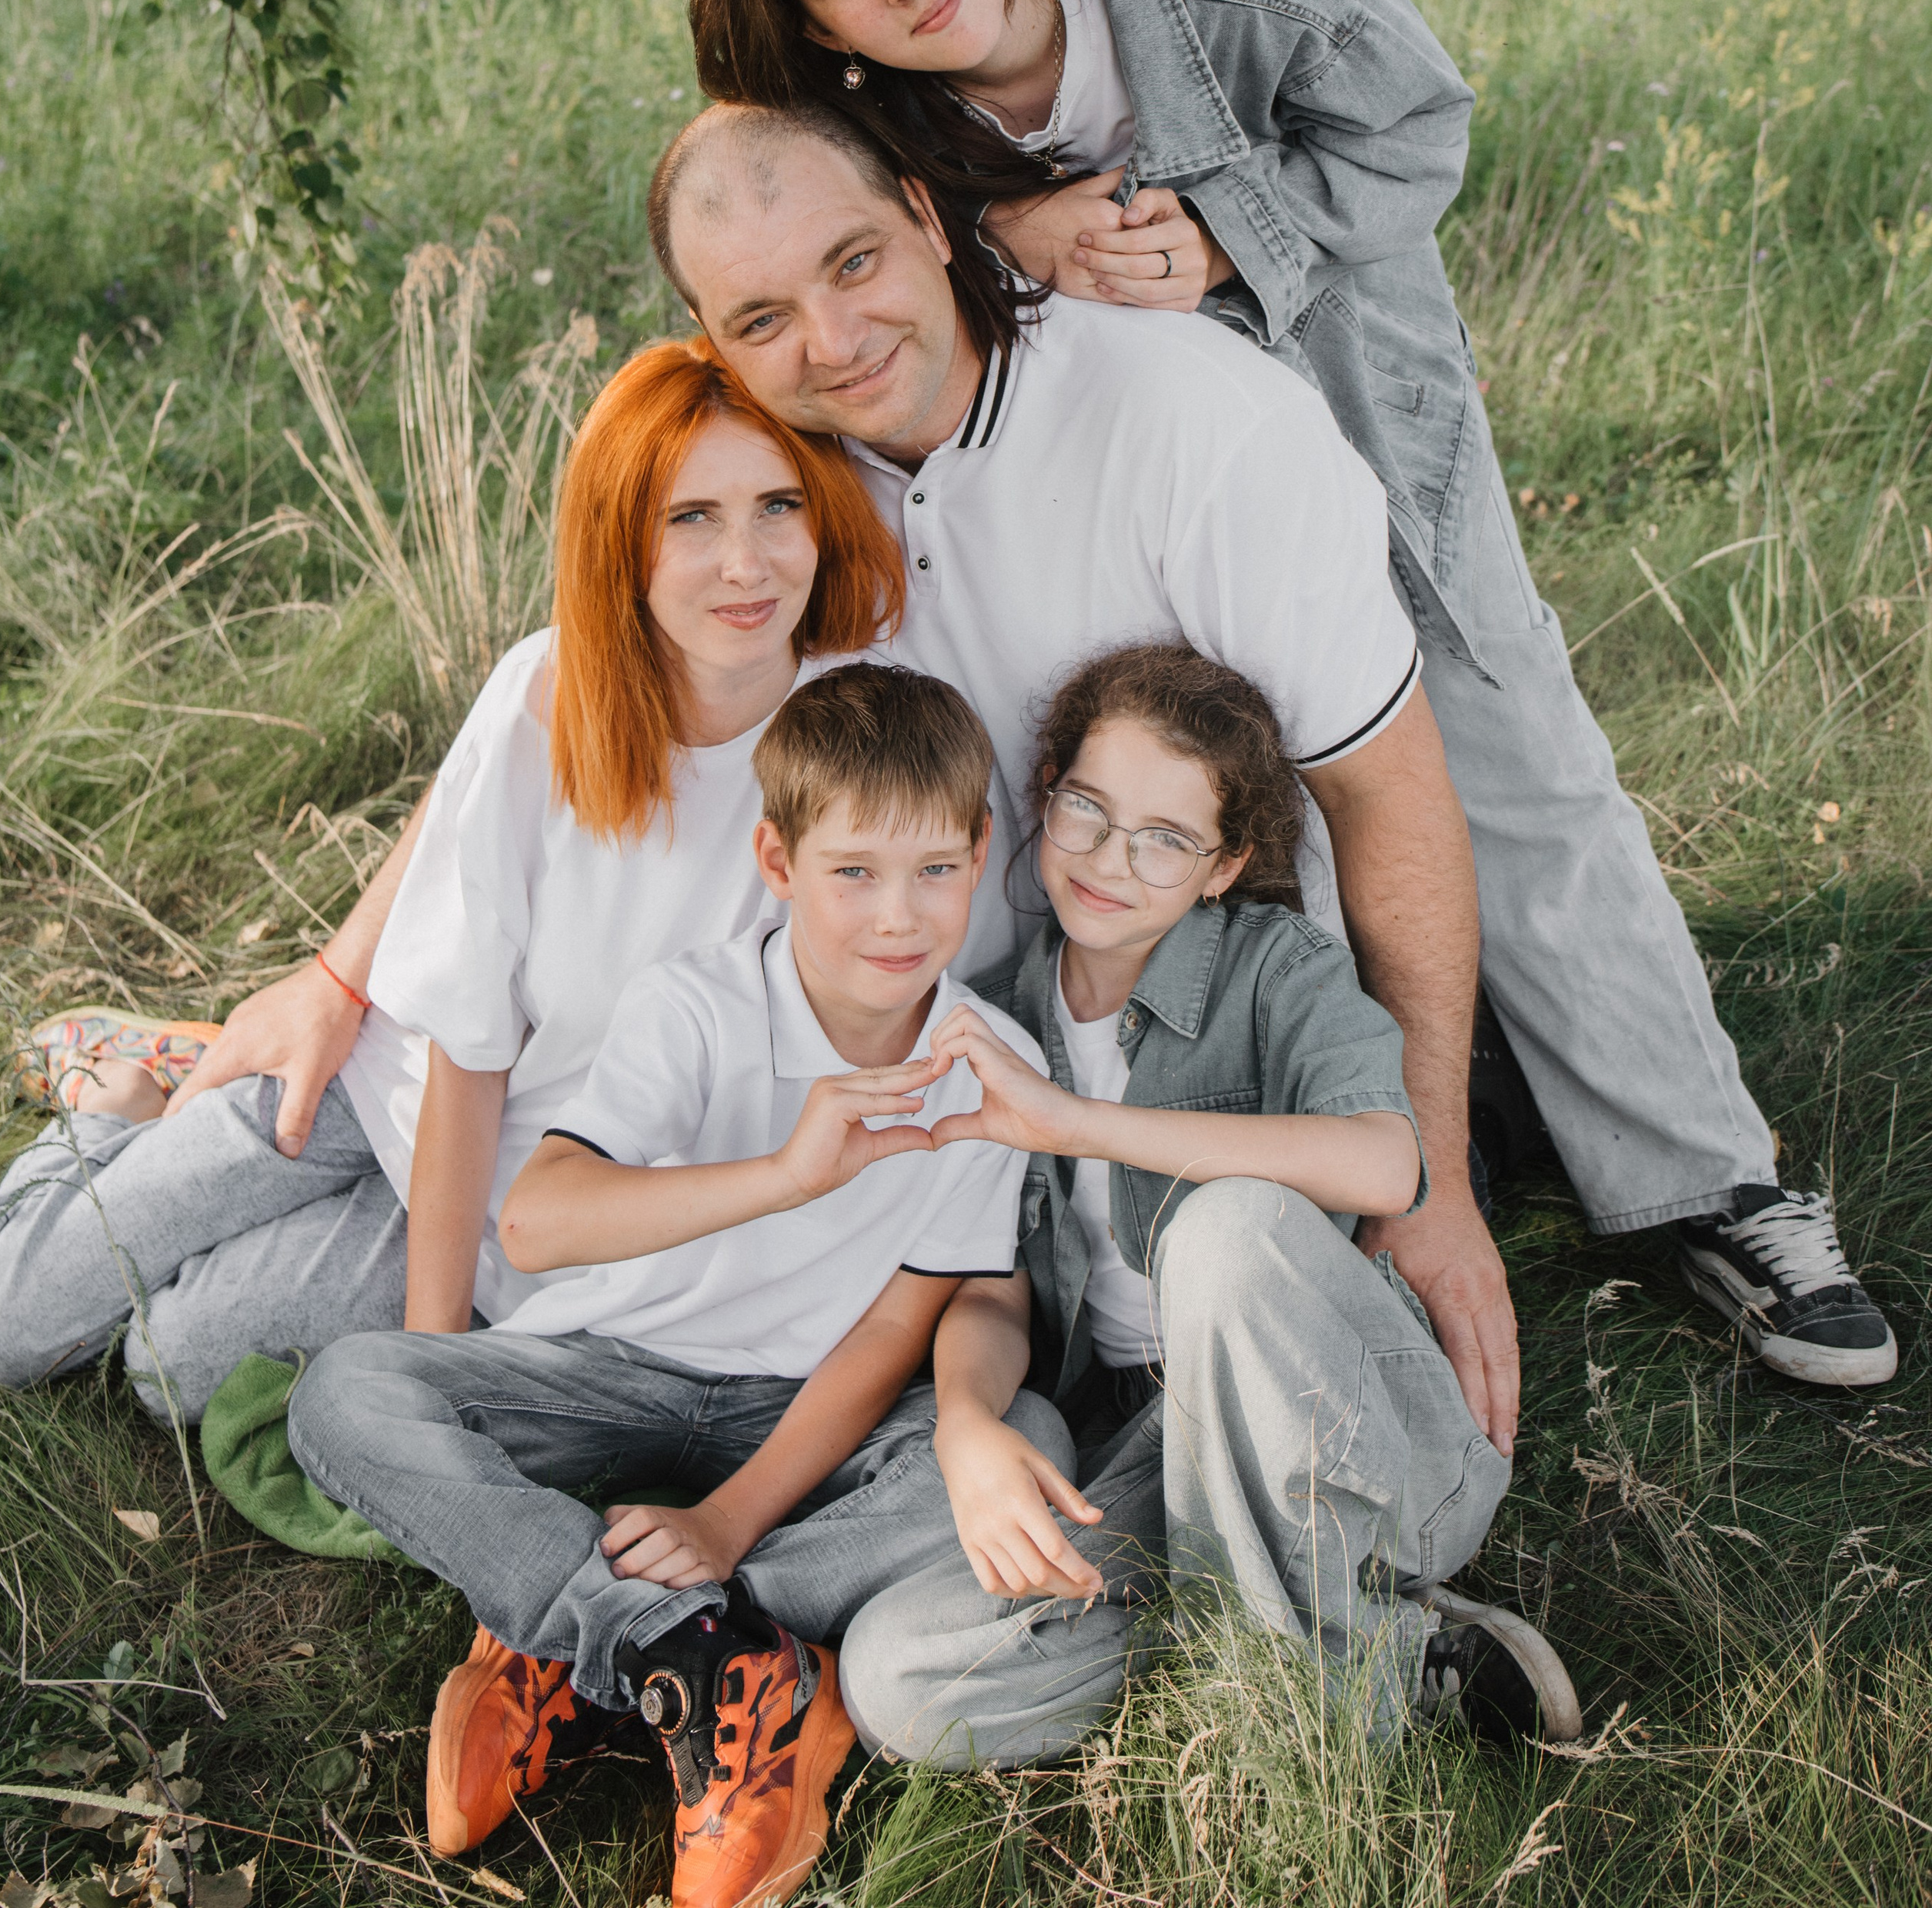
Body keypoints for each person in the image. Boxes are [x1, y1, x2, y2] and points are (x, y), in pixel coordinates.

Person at [683, 0, 1896, 1394]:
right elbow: (833, 240)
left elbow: (1421, 120)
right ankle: (1360, 1133)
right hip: (1148, 483)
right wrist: (1016, 228)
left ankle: (1701, 1179)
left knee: (1494, 759)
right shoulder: (891, 128)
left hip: (1350, 400)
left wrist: (1233, 232)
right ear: (820, 30)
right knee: (1243, 798)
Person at [646, 95, 1527, 1454]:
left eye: (855, 262)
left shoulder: (1196, 423)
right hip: (946, 1104)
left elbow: (1388, 793)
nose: (830, 342)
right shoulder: (766, 501)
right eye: (762, 321)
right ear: (718, 345)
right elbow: (584, 671)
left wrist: (1432, 1189)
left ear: (933, 224)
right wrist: (349, 972)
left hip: (1223, 1065)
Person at [0, 339, 901, 1423]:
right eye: (691, 518)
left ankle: (162, 1088)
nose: (747, 563)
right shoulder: (549, 699)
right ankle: (113, 1110)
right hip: (387, 1088)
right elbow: (467, 1048)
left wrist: (446, 1349)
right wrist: (431, 1368)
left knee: (172, 1364)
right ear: (621, 543)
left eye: (778, 506)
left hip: (541, 1208)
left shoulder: (854, 744)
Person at [287, 664, 1062, 1906]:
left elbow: (890, 1331)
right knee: (345, 1397)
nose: (895, 917)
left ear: (979, 857)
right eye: (852, 872)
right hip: (608, 1369)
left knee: (1020, 1436)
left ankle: (589, 1627)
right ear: (778, 860)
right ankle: (695, 1657)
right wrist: (786, 1173)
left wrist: (730, 1521)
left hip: (801, 1413)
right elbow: (538, 1222)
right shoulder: (694, 1010)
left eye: (934, 871)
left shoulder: (988, 1069)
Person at [841, 642, 1580, 1768]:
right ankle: (1370, 1634)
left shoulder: (1275, 967)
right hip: (1149, 1446)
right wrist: (967, 1428)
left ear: (1225, 865)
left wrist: (1078, 1122)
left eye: (1167, 839)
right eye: (1087, 809)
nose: (1109, 860)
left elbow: (1387, 1164)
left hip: (1345, 1427)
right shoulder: (985, 1024)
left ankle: (1308, 1727)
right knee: (896, 1678)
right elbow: (985, 1282)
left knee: (1223, 1232)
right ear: (1046, 797)